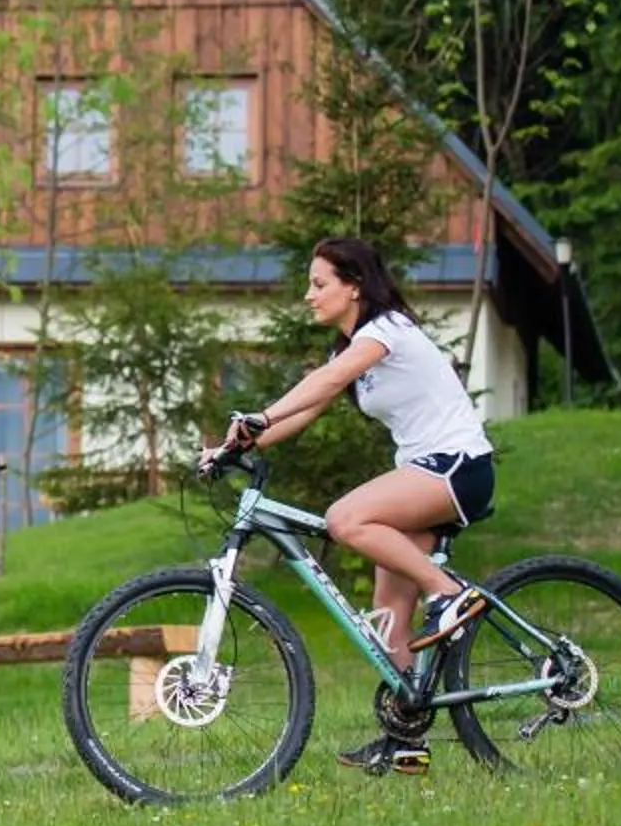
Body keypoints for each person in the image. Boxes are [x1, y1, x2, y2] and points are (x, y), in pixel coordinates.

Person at [202, 236, 496, 775]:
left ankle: (452, 595)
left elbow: (328, 381)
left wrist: (261, 415)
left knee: (345, 519)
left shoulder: (386, 331)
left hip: (457, 467)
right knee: (389, 625)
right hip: (425, 471)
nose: (309, 295)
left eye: (319, 284)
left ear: (353, 286)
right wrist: (232, 447)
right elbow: (305, 411)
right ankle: (406, 738)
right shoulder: (348, 348)